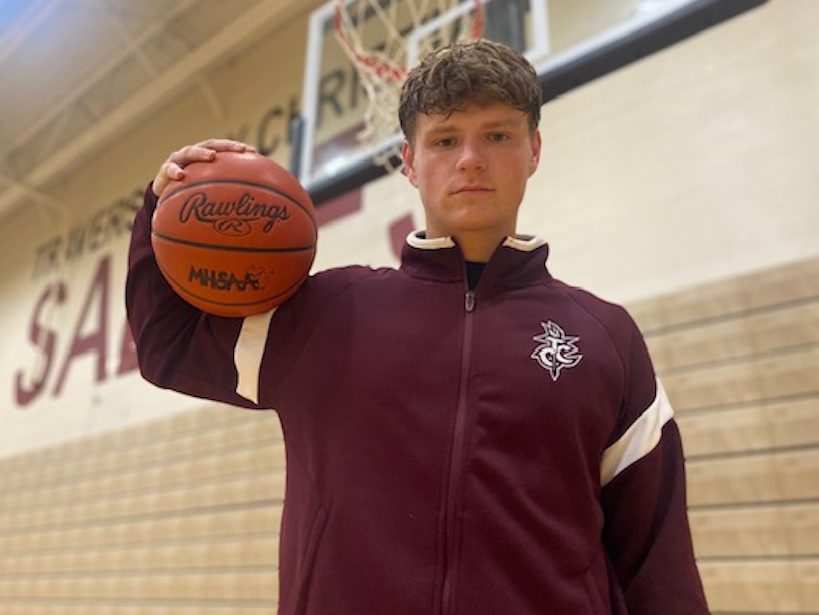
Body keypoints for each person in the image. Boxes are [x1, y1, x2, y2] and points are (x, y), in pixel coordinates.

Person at [126, 39, 709, 615]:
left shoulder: (604, 336)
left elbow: (657, 559)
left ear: (533, 150)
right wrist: (159, 205)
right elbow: (167, 345)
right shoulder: (323, 314)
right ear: (409, 161)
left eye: (498, 136)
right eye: (446, 140)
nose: (471, 159)